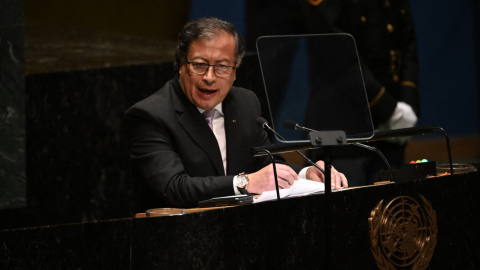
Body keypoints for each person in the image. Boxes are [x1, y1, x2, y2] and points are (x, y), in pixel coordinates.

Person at [124, 17, 347, 210]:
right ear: (181, 65)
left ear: (234, 72)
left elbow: (265, 165)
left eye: (222, 67)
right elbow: (175, 188)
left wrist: (306, 173)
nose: (209, 77)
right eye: (200, 65)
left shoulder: (244, 103)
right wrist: (244, 183)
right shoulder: (149, 116)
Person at [246, 0, 420, 186]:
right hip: (344, 130)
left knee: (388, 210)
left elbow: (406, 42)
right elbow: (334, 45)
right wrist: (387, 108)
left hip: (391, 130)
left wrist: (406, 106)